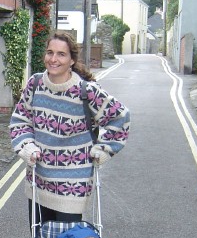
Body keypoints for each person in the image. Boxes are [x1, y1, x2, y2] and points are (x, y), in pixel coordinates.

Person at [9, 31, 130, 227]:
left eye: (61, 54)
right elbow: (20, 120)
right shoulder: (35, 84)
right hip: (38, 182)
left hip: (73, 187)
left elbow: (120, 116)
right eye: (50, 52)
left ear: (72, 60)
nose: (53, 59)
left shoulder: (86, 91)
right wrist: (27, 147)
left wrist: (103, 149)